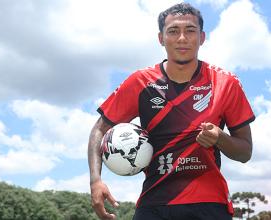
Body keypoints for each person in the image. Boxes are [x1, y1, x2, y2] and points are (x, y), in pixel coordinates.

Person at [88, 2, 255, 220]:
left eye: (190, 31)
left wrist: (220, 138)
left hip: (209, 205)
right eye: (173, 31)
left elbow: (245, 152)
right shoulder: (141, 82)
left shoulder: (225, 83)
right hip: (154, 204)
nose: (182, 38)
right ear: (161, 38)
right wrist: (95, 181)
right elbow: (99, 130)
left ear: (202, 37)